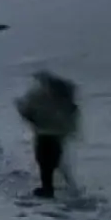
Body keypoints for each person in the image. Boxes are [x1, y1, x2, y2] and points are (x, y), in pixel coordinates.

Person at [15, 70, 81, 199]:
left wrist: (23, 110)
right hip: (58, 135)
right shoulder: (64, 96)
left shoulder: (41, 96)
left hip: (44, 134)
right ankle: (66, 186)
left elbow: (31, 113)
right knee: (54, 161)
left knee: (44, 162)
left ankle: (48, 190)